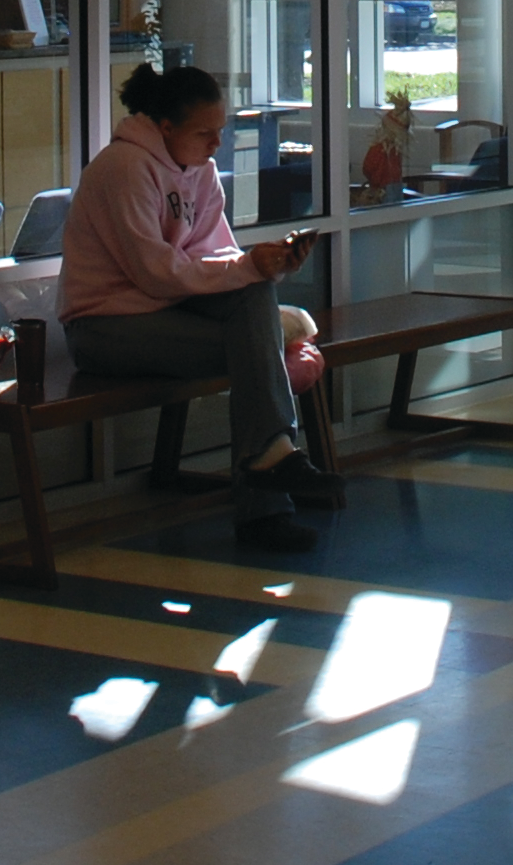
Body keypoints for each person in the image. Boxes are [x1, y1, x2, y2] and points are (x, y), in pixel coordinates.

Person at [61, 60, 338, 553]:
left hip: (168, 312)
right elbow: (156, 273)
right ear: (165, 128)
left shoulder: (201, 172)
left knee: (254, 292)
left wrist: (266, 264)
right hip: (105, 325)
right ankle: (267, 492)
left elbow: (216, 259)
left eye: (221, 131)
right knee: (255, 346)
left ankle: (270, 456)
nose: (216, 144)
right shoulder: (124, 168)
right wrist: (248, 269)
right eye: (204, 133)